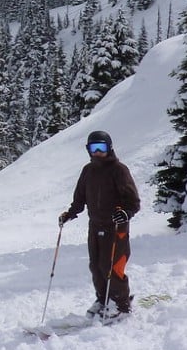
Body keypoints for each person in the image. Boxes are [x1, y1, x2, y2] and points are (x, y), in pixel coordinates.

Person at [58, 130, 140, 319]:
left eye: (101, 148)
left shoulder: (119, 170)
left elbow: (133, 201)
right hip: (95, 226)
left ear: (109, 148)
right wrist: (69, 214)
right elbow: (79, 199)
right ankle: (103, 299)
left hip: (115, 227)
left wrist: (126, 213)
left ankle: (120, 304)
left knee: (111, 267)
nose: (97, 152)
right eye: (93, 148)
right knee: (95, 266)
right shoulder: (88, 171)